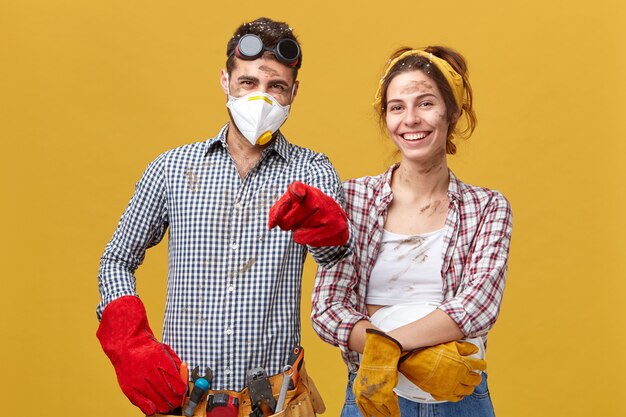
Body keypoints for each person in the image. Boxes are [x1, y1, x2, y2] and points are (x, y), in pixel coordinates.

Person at [96, 17, 351, 416]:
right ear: (225, 81)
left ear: (293, 92)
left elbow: (337, 264)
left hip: (276, 404)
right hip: (184, 404)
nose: (261, 98)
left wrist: (329, 232)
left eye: (276, 86)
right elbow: (116, 260)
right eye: (248, 83)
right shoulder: (172, 168)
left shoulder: (314, 173)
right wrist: (129, 342)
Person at [311, 46, 513, 417]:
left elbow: (478, 306)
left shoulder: (487, 207)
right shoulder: (352, 200)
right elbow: (327, 309)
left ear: (451, 112)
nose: (411, 119)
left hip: (459, 399)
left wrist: (387, 349)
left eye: (425, 103)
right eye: (397, 107)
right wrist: (383, 359)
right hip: (372, 393)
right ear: (385, 116)